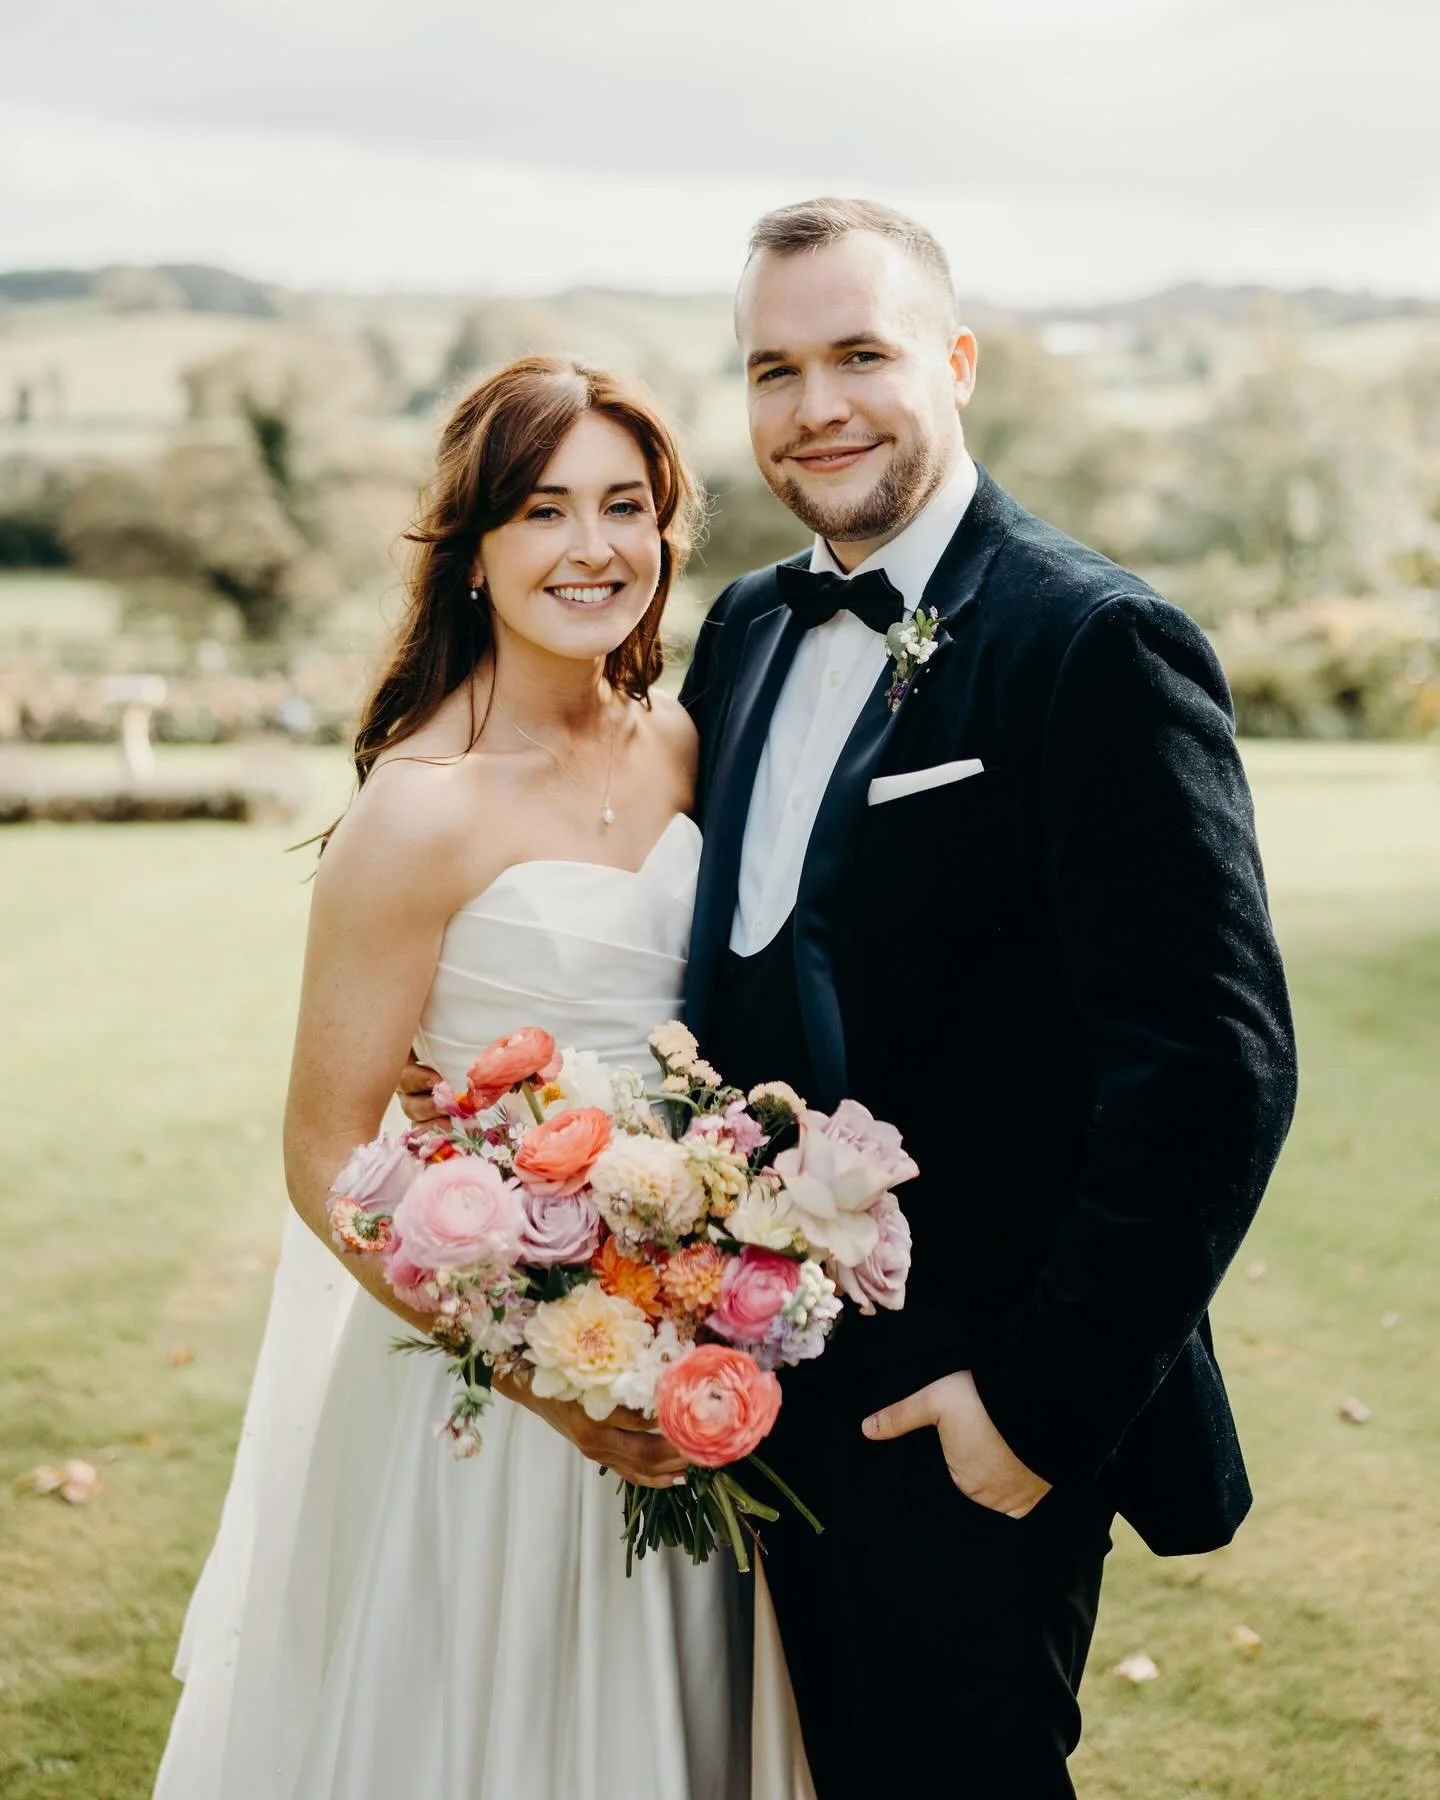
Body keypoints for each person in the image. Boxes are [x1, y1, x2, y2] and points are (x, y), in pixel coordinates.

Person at [405, 196, 1299, 1798]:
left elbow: (1212, 1073)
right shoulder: (745, 627)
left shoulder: (1093, 642)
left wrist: (1024, 1414)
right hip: (748, 1379)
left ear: (954, 363)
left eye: (862, 355)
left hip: (962, 1411)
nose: (816, 407)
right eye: (774, 369)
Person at [153, 357, 765, 1800]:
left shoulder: (684, 744)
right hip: (494, 1373)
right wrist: (539, 1372)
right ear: (476, 551)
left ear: (669, 534)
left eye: (627, 506)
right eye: (546, 510)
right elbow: (325, 1158)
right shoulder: (416, 811)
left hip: (690, 1341)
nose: (593, 547)